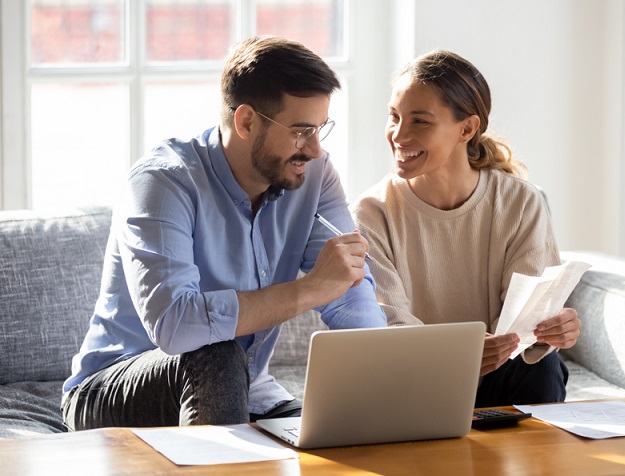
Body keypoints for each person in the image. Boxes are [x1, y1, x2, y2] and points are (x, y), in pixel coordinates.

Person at [62, 35, 386, 430]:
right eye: (301, 131)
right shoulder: (163, 183)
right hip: (112, 387)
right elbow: (176, 325)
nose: (315, 149)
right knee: (215, 354)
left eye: (321, 129)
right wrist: (308, 289)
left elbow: (349, 290)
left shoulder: (314, 175)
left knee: (343, 435)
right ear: (247, 121)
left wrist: (383, 377)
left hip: (249, 391)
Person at [352, 50, 580, 406]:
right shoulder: (372, 213)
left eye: (420, 121)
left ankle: (538, 460)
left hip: (501, 372)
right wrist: (460, 355)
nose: (398, 134)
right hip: (417, 381)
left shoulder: (521, 202)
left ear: (467, 128)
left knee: (542, 367)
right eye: (394, 117)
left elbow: (526, 323)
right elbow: (389, 328)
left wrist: (550, 331)